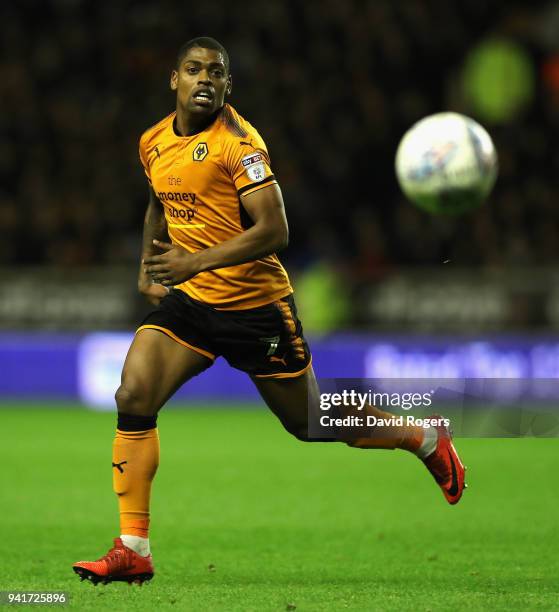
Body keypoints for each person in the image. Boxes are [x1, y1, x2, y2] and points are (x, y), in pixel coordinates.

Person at [73, 37, 466, 586]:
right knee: (133, 393)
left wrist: (195, 261)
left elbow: (275, 230)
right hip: (192, 304)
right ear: (174, 80)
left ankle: (423, 437)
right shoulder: (153, 142)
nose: (204, 78)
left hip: (256, 309)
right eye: (193, 69)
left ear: (227, 85)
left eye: (215, 71)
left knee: (312, 422)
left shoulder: (241, 144)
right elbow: (157, 199)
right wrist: (149, 263)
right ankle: (133, 547)